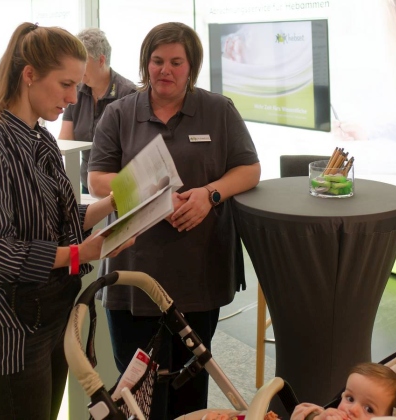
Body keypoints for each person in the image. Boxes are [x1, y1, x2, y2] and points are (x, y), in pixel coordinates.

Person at [0, 22, 134, 420]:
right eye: (65, 84)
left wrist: (115, 203)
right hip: (9, 335)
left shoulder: (41, 139)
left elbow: (59, 219)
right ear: (29, 74)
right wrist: (81, 253)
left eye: (77, 86)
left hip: (51, 320)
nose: (73, 98)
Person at [88, 22, 261, 419]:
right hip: (133, 274)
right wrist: (149, 193)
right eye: (157, 61)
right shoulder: (119, 113)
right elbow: (97, 180)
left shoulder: (218, 111)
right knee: (135, 390)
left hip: (199, 273)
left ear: (191, 67)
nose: (165, 70)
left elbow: (249, 169)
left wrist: (210, 194)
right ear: (145, 63)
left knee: (190, 384)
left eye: (176, 62)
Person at [58, 27, 136, 194]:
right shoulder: (75, 91)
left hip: (120, 186)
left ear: (101, 60)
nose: (77, 68)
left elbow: (134, 151)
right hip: (86, 184)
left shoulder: (128, 93)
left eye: (83, 61)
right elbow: (65, 141)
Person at [291, 362, 396, 420]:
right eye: (350, 398)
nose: (353, 409)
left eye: (369, 409)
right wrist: (317, 418)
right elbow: (301, 411)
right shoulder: (328, 415)